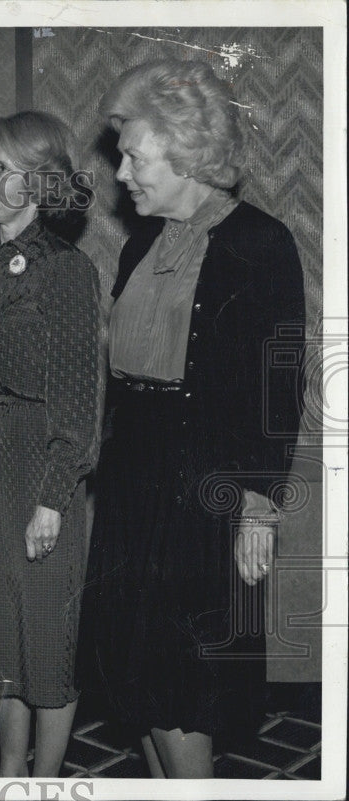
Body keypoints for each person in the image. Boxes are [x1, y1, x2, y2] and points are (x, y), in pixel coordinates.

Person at [77, 58, 306, 778]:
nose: (123, 173)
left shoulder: (259, 245)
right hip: (135, 487)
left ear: (186, 153)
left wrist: (259, 509)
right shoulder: (145, 242)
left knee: (182, 689)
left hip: (205, 497)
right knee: (134, 686)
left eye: (136, 157)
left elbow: (277, 389)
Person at [0, 111, 101, 777]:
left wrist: (55, 497)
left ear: (37, 184)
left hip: (40, 464)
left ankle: (45, 782)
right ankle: (10, 774)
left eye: (1, 168)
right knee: (4, 638)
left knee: (47, 639)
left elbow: (76, 392)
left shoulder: (67, 270)